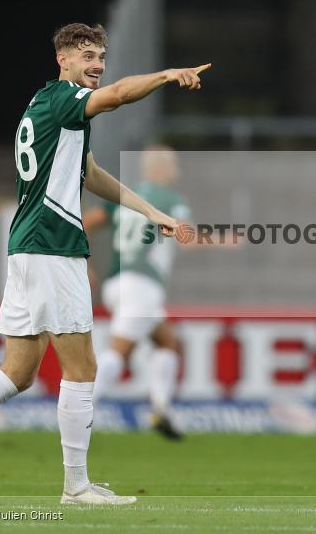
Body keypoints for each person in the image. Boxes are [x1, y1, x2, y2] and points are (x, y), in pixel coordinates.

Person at [0, 23, 210, 504]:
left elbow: (89, 174)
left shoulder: (49, 107)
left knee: (19, 372)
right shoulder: (65, 99)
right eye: (87, 56)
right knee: (82, 367)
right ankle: (76, 486)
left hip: (28, 247)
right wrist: (168, 74)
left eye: (102, 57)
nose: (98, 66)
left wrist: (152, 212)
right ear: (62, 59)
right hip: (53, 246)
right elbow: (120, 96)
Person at [83, 145, 189, 440]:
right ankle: (81, 410)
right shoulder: (170, 199)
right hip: (142, 285)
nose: (175, 171)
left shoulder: (123, 196)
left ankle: (161, 409)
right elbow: (185, 234)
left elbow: (87, 222)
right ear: (158, 168)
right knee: (120, 350)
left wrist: (86, 264)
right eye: (171, 165)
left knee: (168, 342)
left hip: (117, 282)